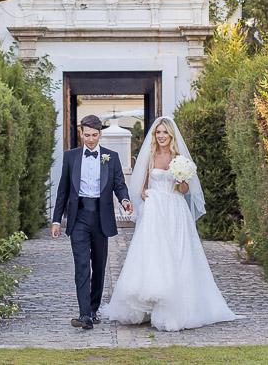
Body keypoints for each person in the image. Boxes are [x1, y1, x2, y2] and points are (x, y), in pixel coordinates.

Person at [99, 117, 237, 331]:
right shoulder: (150, 156)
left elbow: (184, 191)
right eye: (158, 133)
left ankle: (177, 305)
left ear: (171, 135)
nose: (161, 136)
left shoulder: (179, 158)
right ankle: (148, 305)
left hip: (174, 209)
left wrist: (181, 177)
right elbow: (142, 188)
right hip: (155, 211)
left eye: (165, 132)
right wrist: (147, 197)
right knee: (154, 255)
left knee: (178, 253)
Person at [51, 115, 133, 330]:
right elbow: (63, 191)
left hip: (101, 217)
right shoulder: (71, 157)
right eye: (86, 135)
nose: (90, 139)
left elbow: (119, 184)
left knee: (99, 265)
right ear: (81, 133)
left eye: (94, 135)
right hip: (78, 217)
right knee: (81, 266)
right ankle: (84, 314)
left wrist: (124, 200)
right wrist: (56, 220)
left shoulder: (111, 157)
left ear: (100, 134)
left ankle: (94, 310)